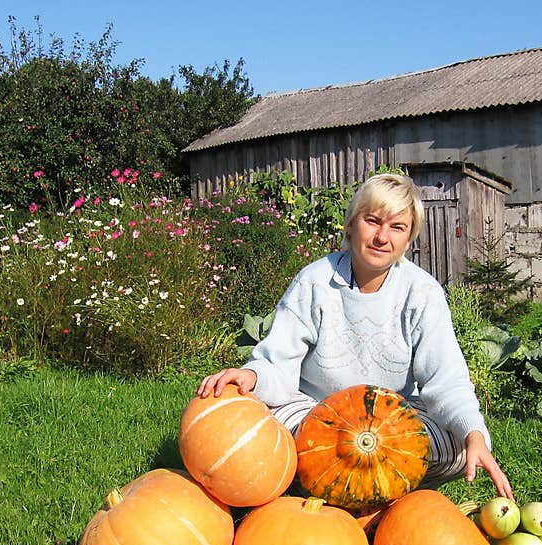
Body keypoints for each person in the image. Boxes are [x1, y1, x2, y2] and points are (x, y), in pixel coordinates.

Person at [195, 172, 514, 501]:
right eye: (372, 221)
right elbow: (279, 363)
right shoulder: (315, 281)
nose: (382, 237)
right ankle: (353, 493)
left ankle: (371, 490)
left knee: (461, 447)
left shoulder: (422, 293)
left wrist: (472, 433)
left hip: (390, 427)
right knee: (267, 430)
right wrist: (251, 375)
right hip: (317, 417)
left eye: (397, 227)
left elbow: (446, 379)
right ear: (351, 225)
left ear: (408, 240)